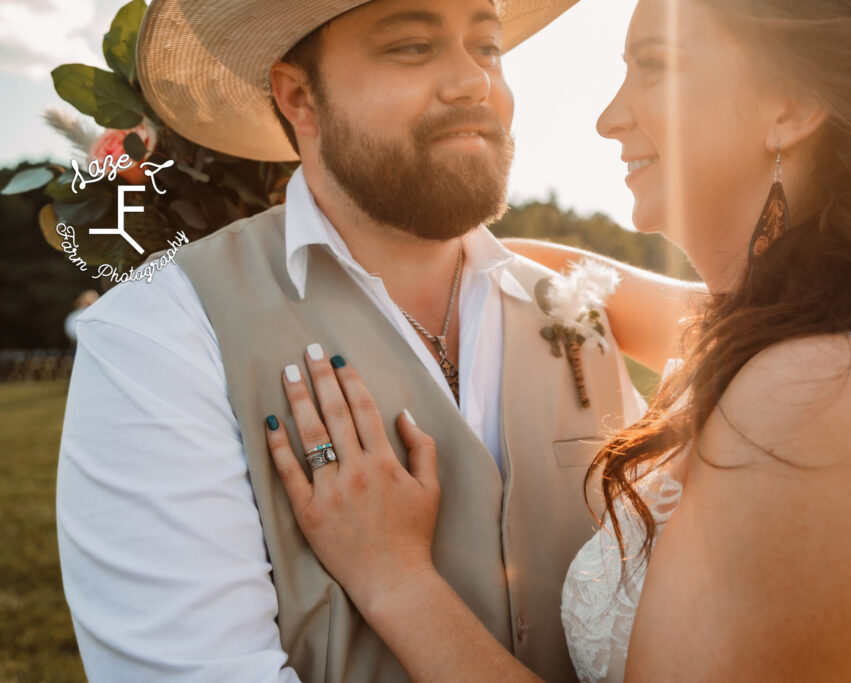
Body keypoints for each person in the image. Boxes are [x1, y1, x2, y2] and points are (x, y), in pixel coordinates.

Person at [263, 0, 851, 681]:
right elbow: (561, 277)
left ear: (792, 106)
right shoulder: (774, 330)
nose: (610, 117)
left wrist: (395, 578)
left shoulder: (817, 399)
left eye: (654, 65)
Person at [55, 0, 709, 681]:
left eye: (486, 48)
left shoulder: (578, 315)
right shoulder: (160, 334)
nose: (473, 82)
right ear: (299, 97)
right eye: (411, 48)